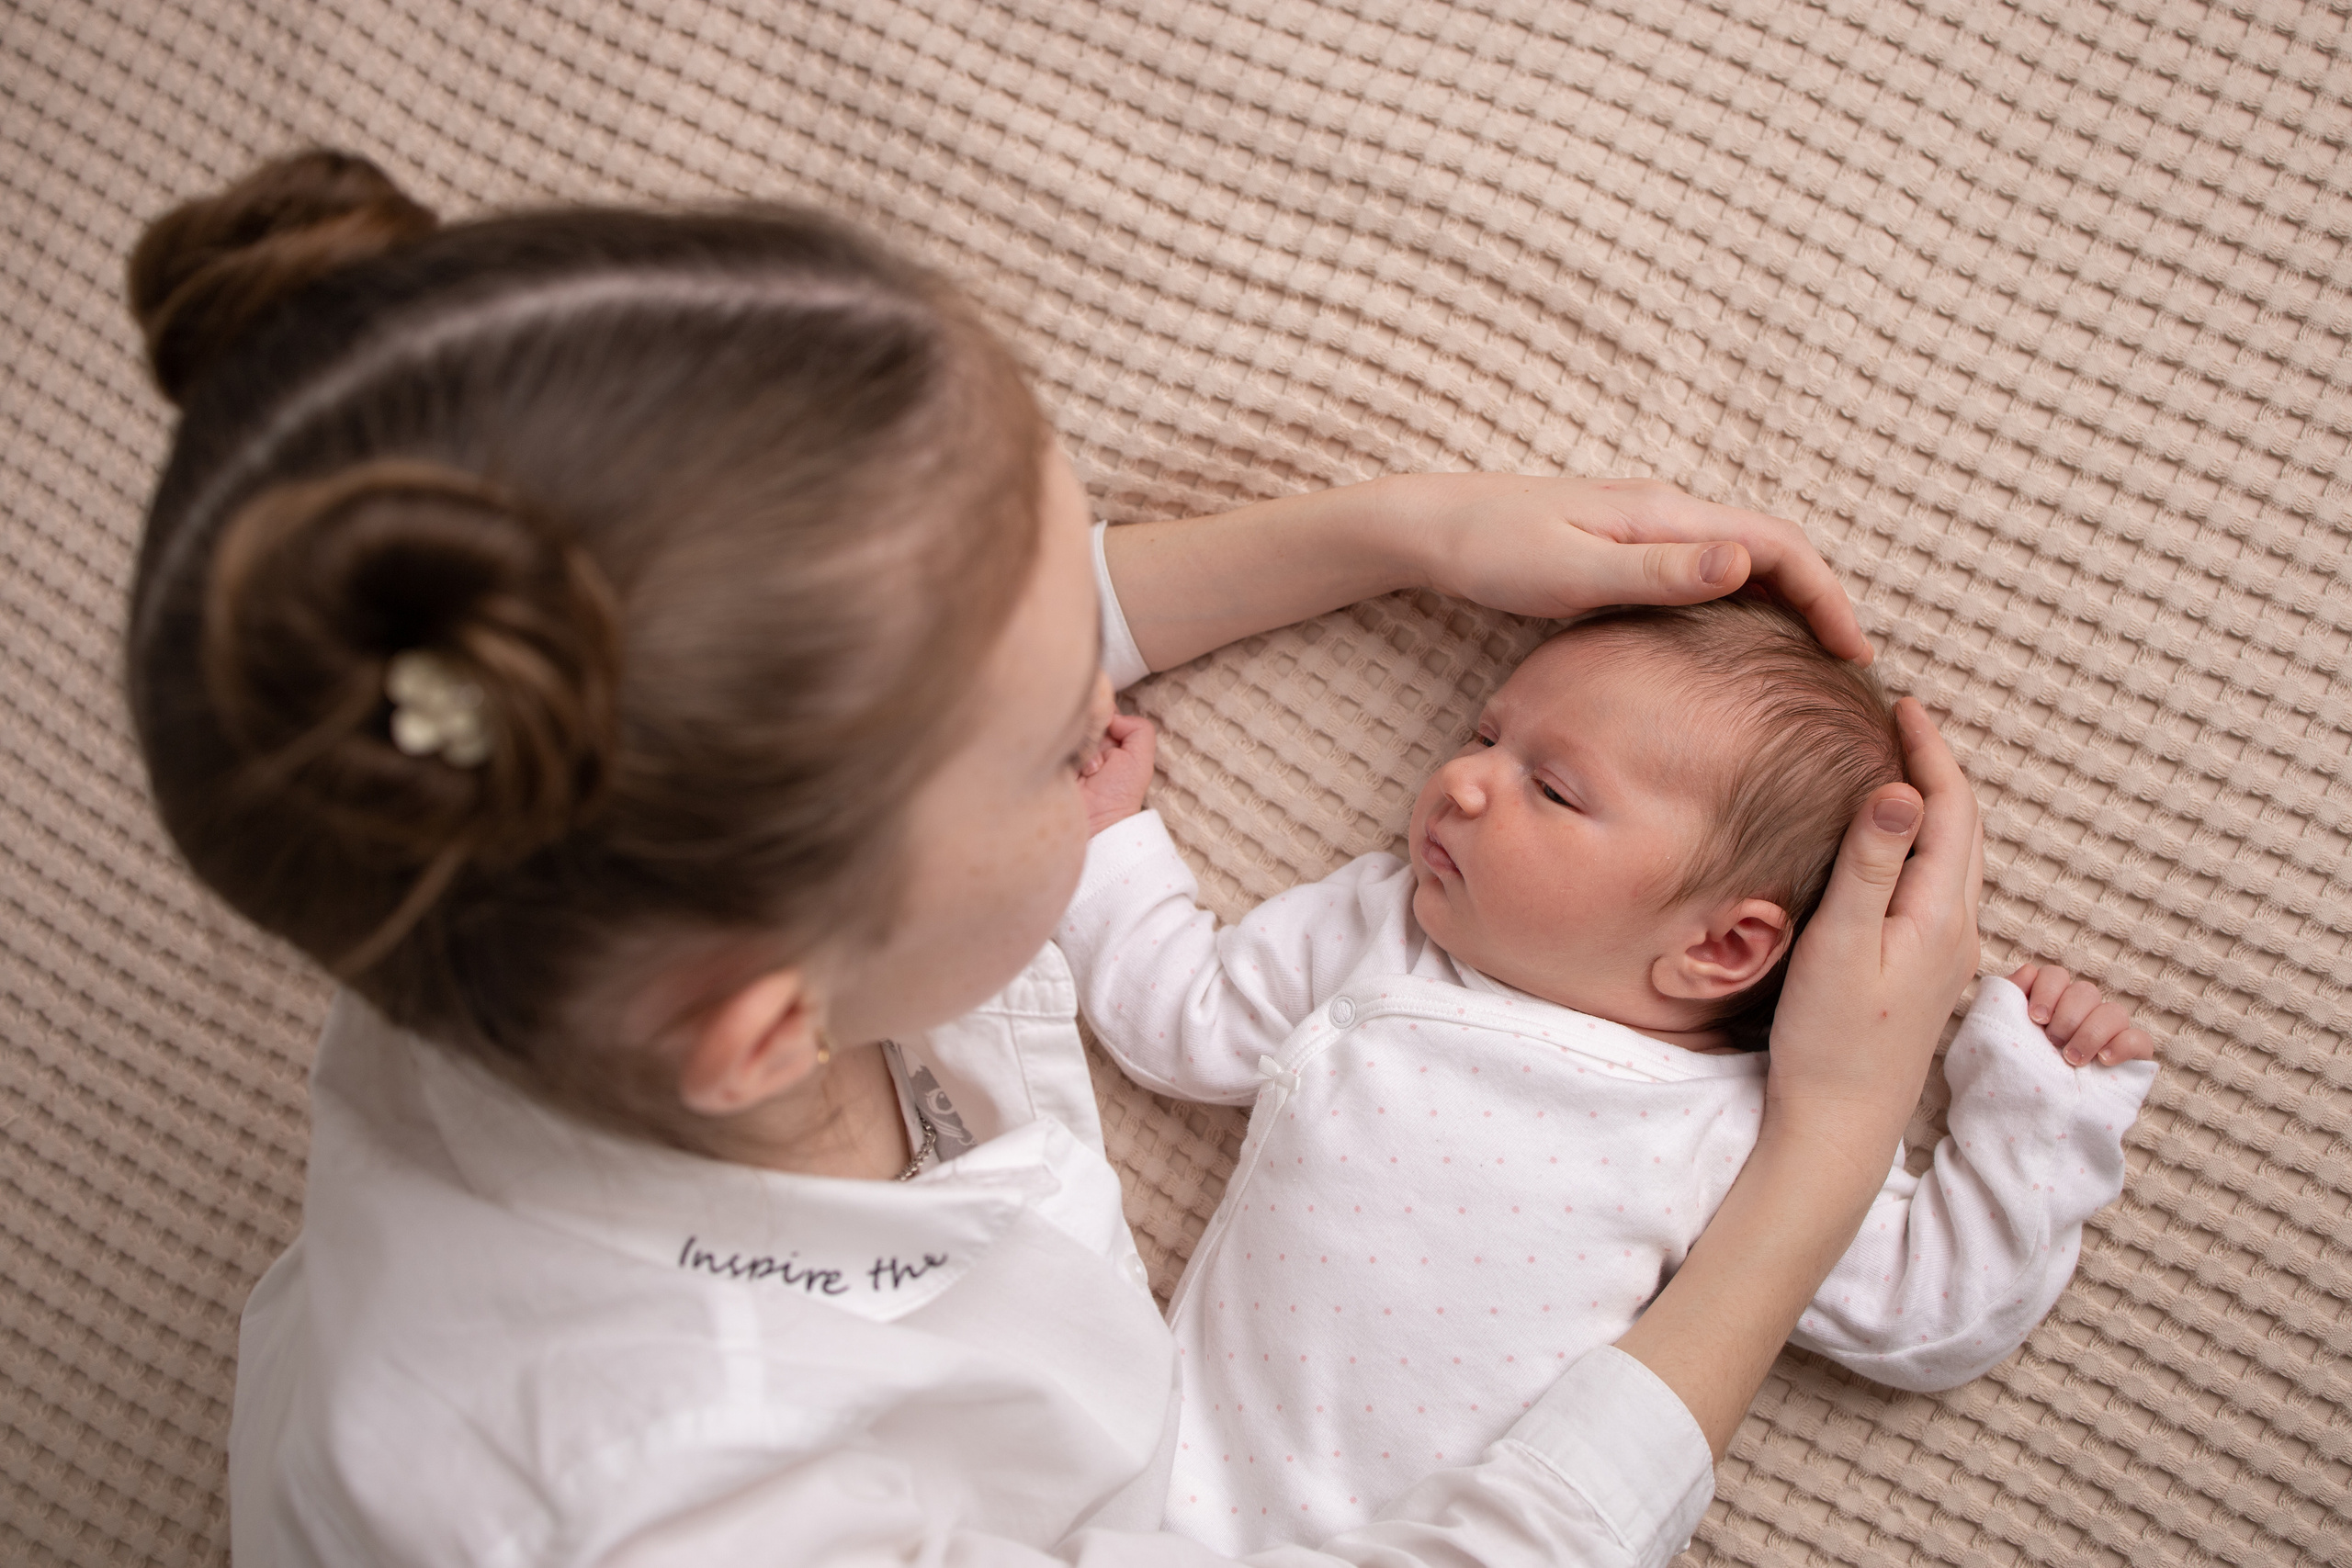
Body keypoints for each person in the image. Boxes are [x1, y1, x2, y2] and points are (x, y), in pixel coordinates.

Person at [125, 150, 1984, 1568]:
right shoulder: (716, 1491)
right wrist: (1820, 1149)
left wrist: (1395, 532)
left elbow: (928, 659)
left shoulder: (501, 864)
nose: (1110, 720)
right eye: (1053, 742)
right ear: (764, 1022)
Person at [1059, 597, 2157, 1551]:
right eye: (1483, 734)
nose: (1463, 782)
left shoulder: (1730, 1129)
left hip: (1467, 1530)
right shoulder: (1382, 936)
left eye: (1554, 789)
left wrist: (2037, 1109)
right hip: (1155, 1494)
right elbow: (1182, 1018)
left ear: (1722, 948)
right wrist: (1111, 836)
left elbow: (1930, 1310)